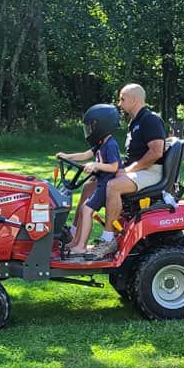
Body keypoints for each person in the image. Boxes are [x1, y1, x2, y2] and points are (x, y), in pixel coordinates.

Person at [87, 84, 166, 260]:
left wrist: (128, 170)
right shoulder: (135, 122)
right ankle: (75, 234)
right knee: (91, 184)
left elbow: (156, 152)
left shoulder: (150, 120)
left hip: (151, 172)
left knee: (113, 186)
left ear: (135, 100)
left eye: (123, 99)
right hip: (138, 170)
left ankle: (108, 239)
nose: (119, 103)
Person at [55, 104, 122, 257]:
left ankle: (82, 246)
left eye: (92, 127)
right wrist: (67, 156)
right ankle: (76, 242)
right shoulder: (101, 143)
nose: (90, 131)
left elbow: (114, 167)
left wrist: (95, 165)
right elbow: (85, 155)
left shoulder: (110, 145)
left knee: (86, 210)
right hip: (100, 183)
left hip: (106, 185)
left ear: (102, 125)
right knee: (84, 210)